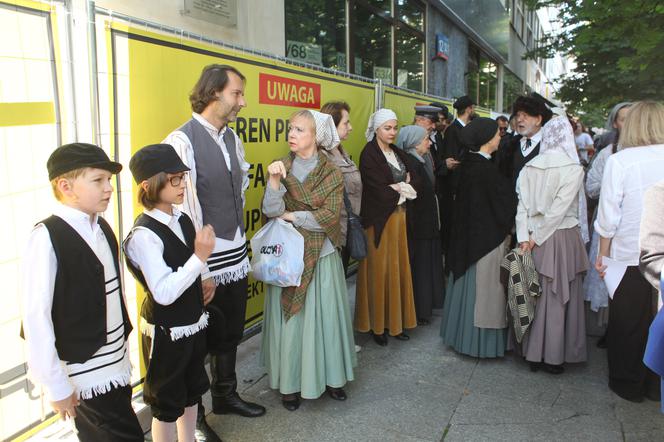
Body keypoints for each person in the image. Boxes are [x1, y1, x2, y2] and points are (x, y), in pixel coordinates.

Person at [164, 64, 265, 440]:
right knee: (199, 341)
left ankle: (226, 395)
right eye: (236, 94)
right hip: (205, 259)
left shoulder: (232, 138)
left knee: (229, 331)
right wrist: (201, 268)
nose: (242, 101)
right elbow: (185, 209)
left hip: (234, 252)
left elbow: (237, 191)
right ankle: (197, 416)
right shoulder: (182, 140)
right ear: (213, 93)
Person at [21, 143, 143, 441]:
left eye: (109, 181)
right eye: (98, 180)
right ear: (65, 186)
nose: (109, 189)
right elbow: (36, 316)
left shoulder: (102, 228)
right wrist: (56, 385)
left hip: (114, 364)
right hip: (83, 372)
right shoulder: (47, 237)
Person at [260, 110, 356, 411]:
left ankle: (331, 378)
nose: (292, 134)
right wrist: (274, 182)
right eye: (291, 128)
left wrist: (292, 215)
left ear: (316, 136)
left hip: (322, 254)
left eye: (300, 130)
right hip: (289, 259)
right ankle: (291, 385)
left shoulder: (331, 171)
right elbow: (270, 209)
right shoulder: (282, 167)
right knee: (295, 321)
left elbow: (329, 216)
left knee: (325, 319)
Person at [123, 144, 214, 442]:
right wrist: (199, 259)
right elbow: (163, 292)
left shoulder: (182, 218)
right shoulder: (143, 235)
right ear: (149, 184)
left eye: (182, 178)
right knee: (166, 403)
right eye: (174, 179)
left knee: (190, 394)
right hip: (167, 330)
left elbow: (188, 265)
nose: (181, 186)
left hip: (191, 321)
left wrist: (202, 275)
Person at [595, 100, 664, 402]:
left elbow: (609, 215)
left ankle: (628, 382)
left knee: (628, 323)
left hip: (628, 254)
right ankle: (654, 385)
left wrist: (602, 255)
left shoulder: (621, 161)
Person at [516, 117, 589, 374]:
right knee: (558, 297)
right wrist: (536, 237)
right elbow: (559, 210)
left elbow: (522, 206)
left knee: (533, 295)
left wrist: (525, 237)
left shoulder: (529, 167)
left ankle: (532, 354)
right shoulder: (573, 169)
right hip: (561, 236)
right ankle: (553, 357)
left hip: (534, 237)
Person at [441, 118, 516, 358]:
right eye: (496, 134)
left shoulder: (469, 165)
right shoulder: (483, 169)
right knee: (484, 295)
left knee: (467, 291)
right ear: (486, 140)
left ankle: (458, 336)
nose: (499, 137)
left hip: (468, 240)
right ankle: (478, 345)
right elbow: (500, 205)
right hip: (484, 242)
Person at [355, 109, 418, 346]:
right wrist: (404, 187)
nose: (392, 132)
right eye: (387, 128)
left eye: (395, 128)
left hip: (399, 220)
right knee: (378, 273)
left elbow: (416, 178)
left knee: (398, 270)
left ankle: (395, 322)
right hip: (379, 222)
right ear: (377, 129)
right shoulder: (368, 154)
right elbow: (378, 191)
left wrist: (398, 187)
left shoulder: (397, 152)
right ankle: (376, 325)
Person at [584, 102, 631, 339]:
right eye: (623, 118)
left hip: (634, 230)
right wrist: (615, 185)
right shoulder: (608, 153)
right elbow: (591, 187)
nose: (628, 123)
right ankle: (609, 328)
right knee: (608, 275)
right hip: (608, 225)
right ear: (615, 123)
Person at [395, 125, 444, 325]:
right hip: (420, 227)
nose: (429, 142)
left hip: (427, 225)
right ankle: (419, 310)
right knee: (421, 269)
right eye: (425, 139)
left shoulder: (420, 161)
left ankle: (424, 309)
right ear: (415, 143)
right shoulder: (413, 164)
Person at [320, 101, 361, 273]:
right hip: (333, 238)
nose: (350, 127)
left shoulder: (341, 152)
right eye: (346, 123)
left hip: (347, 232)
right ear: (331, 125)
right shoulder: (321, 157)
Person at [439, 96, 474, 258]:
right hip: (455, 186)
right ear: (468, 109)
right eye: (472, 108)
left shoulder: (464, 128)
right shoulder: (454, 130)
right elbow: (453, 160)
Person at [495, 95, 553, 191]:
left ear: (538, 119)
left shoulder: (550, 147)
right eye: (518, 115)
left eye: (525, 115)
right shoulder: (508, 145)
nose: (519, 119)